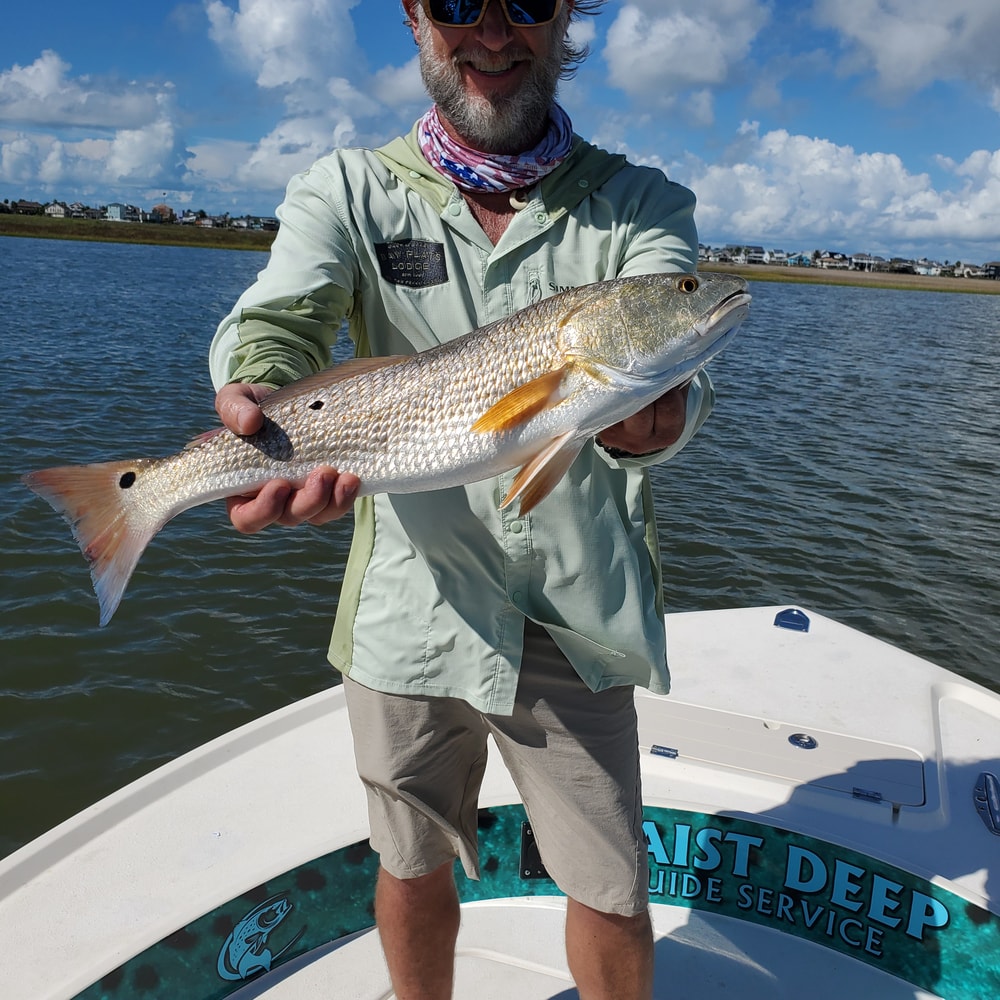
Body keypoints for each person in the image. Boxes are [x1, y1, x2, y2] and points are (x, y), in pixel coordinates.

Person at [209, 2, 713, 996]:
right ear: (410, 16)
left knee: (611, 886)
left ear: (568, 16)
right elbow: (281, 321)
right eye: (455, 4)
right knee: (409, 863)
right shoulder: (346, 190)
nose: (491, 32)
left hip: (578, 616)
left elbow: (665, 347)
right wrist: (257, 396)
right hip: (409, 607)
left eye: (526, 1)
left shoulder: (643, 201)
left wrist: (654, 416)